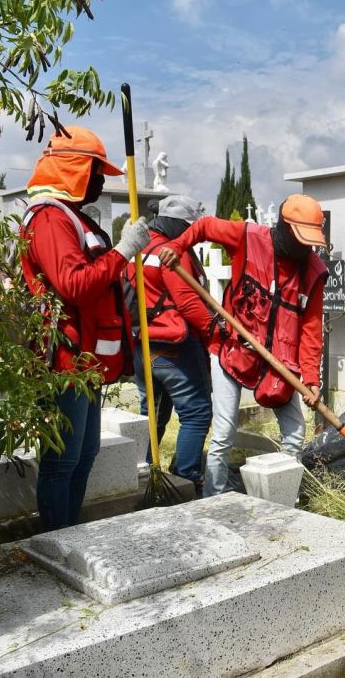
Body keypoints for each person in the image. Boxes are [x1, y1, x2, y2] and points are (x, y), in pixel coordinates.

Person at [20, 126, 150, 530]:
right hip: (63, 361)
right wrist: (123, 250)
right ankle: (57, 543)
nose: (100, 182)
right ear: (72, 169)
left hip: (86, 361)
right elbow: (74, 284)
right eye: (95, 172)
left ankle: (72, 535)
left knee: (85, 454)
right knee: (62, 461)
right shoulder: (49, 219)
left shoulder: (73, 218)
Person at [157, 194, 328, 497]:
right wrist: (178, 246)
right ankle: (214, 497)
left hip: (278, 361)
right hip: (231, 349)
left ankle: (283, 495)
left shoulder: (312, 271)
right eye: (302, 240)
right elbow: (204, 226)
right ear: (285, 228)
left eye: (311, 242)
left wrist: (311, 379)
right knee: (224, 433)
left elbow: (311, 329)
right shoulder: (247, 237)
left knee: (294, 433)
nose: (307, 248)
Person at [126, 195, 213, 491]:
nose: (192, 234)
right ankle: (185, 478)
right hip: (174, 345)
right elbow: (188, 303)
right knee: (196, 412)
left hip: (143, 344)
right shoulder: (172, 253)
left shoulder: (138, 248)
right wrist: (216, 331)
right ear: (176, 224)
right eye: (190, 227)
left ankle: (144, 474)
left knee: (152, 414)